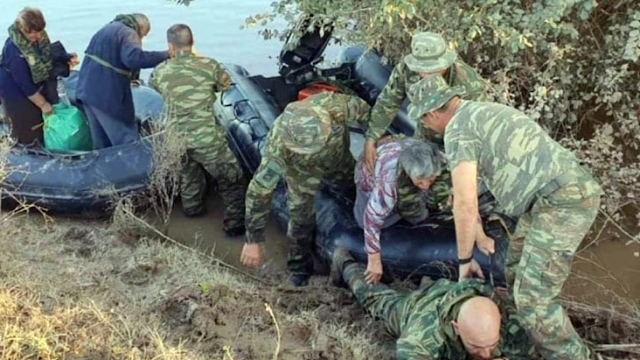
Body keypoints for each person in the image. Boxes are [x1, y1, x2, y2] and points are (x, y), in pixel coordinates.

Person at [408, 75, 603, 360]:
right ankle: (521, 337)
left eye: (424, 121)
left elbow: (465, 204)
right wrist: (478, 234)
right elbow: (468, 193)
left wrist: (464, 260)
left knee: (534, 300)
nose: (426, 127)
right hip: (547, 199)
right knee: (513, 266)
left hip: (561, 202)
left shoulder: (457, 131)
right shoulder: (482, 111)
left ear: (434, 113)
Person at [240, 91, 371, 286]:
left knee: (352, 191)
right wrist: (253, 239)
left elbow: (368, 114)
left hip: (338, 159)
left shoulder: (336, 106)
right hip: (301, 171)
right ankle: (299, 267)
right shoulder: (279, 146)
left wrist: (371, 142)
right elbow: (259, 191)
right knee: (300, 219)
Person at [330, 247, 536, 360]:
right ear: (456, 328)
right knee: (375, 299)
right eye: (476, 347)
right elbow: (410, 352)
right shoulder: (425, 334)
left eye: (491, 345)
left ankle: (425, 283)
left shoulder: (508, 322)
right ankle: (345, 263)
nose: (485, 355)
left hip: (454, 293)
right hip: (418, 307)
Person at [149, 24, 246, 236]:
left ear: (170, 46)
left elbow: (154, 87)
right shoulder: (209, 65)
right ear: (192, 43)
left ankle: (192, 210)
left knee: (189, 173)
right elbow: (225, 85)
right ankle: (234, 226)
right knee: (232, 178)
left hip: (176, 137)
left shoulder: (160, 71)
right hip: (206, 137)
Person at [362, 31, 491, 173]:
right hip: (424, 136)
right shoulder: (406, 70)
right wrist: (372, 138)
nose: (425, 74)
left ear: (445, 63)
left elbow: (479, 130)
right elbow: (388, 101)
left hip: (459, 142)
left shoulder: (468, 82)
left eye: (432, 70)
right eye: (421, 69)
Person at [76, 13, 169, 149]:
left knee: (102, 143)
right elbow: (133, 59)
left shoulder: (108, 28)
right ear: (140, 28)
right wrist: (165, 55)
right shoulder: (128, 33)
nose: (141, 39)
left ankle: (105, 168)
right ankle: (136, 168)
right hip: (105, 97)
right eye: (143, 35)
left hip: (87, 92)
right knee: (125, 139)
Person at [0, 7, 79, 146]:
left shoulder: (38, 39)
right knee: (27, 127)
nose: (38, 36)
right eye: (33, 33)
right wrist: (44, 105)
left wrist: (65, 59)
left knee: (41, 120)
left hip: (34, 83)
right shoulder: (15, 53)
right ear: (22, 29)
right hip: (14, 90)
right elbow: (26, 86)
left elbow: (45, 57)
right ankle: (25, 145)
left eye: (40, 31)